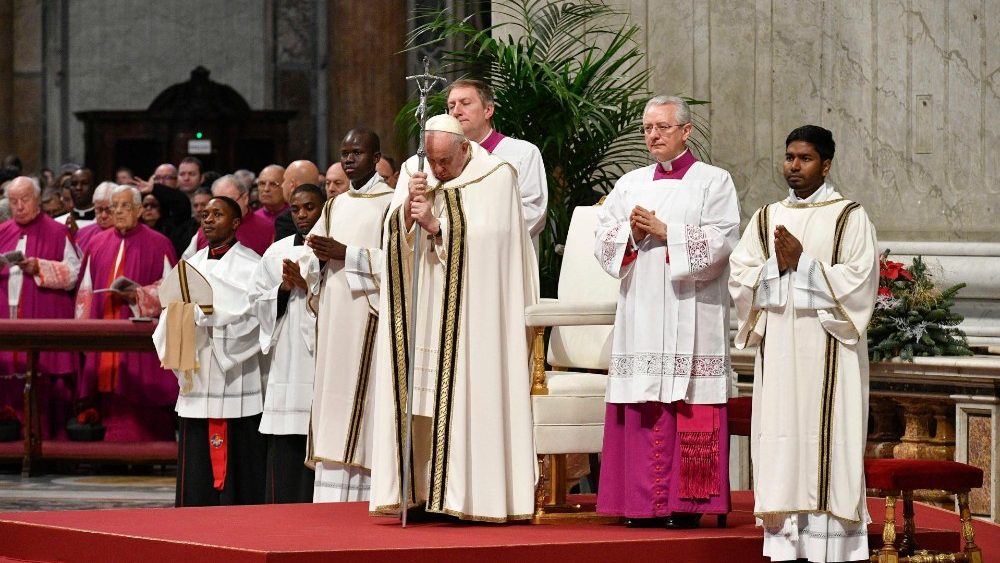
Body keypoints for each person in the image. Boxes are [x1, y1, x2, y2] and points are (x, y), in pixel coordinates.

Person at [368, 114, 537, 522]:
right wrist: (406, 214)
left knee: (466, 395)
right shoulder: (415, 171)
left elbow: (498, 242)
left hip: (474, 313)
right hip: (424, 306)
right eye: (433, 160)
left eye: (445, 161)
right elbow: (390, 234)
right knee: (420, 397)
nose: (438, 169)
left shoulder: (496, 175)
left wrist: (439, 226)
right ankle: (421, 492)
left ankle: (468, 497)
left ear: (465, 148)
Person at [729, 125, 878, 562]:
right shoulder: (766, 217)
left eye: (805, 158)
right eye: (789, 157)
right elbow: (741, 276)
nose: (794, 166)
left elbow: (860, 281)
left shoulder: (850, 216)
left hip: (830, 350)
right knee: (782, 439)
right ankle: (786, 547)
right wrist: (777, 268)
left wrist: (804, 264)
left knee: (827, 443)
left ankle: (831, 549)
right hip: (780, 350)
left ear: (826, 165)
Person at [594, 96, 738, 529]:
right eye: (647, 128)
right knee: (643, 401)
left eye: (662, 127)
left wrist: (666, 231)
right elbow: (602, 240)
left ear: (686, 131)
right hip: (642, 309)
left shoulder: (714, 181)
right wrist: (630, 234)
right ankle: (641, 504)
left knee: (691, 402)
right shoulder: (630, 184)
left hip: (692, 309)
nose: (652, 135)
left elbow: (723, 241)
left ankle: (687, 504)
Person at [153, 196, 266, 507]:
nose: (209, 219)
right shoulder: (190, 265)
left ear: (236, 222)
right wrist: (180, 316)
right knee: (197, 454)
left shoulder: (252, 265)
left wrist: (207, 315)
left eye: (218, 214)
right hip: (199, 372)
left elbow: (255, 315)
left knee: (239, 451)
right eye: (205, 214)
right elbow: (170, 309)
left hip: (233, 374)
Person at [305, 129, 393, 502]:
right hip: (334, 312)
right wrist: (315, 259)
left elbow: (400, 263)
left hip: (367, 314)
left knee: (362, 401)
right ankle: (330, 495)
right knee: (332, 400)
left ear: (376, 158)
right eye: (344, 153)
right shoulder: (334, 206)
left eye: (357, 152)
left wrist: (348, 253)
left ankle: (363, 496)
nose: (348, 159)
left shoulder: (391, 204)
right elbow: (312, 256)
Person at [75, 185, 178, 442]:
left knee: (139, 399)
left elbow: (174, 292)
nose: (118, 211)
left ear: (139, 210)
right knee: (106, 390)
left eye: (125, 206)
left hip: (141, 335)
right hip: (105, 329)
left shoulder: (159, 243)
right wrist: (82, 332)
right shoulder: (96, 243)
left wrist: (138, 296)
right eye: (115, 206)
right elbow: (85, 290)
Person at [249, 183, 326, 503]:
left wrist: (308, 286)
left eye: (309, 207)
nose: (302, 215)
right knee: (285, 445)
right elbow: (256, 301)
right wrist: (282, 289)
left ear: (324, 208)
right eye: (295, 209)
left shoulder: (332, 249)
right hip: (286, 358)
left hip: (322, 354)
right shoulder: (276, 251)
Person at [0, 177, 80, 437]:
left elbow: (74, 274)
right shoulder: (2, 232)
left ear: (37, 199)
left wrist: (39, 267)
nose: (19, 206)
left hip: (42, 316)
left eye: (25, 200)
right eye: (13, 201)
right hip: (7, 317)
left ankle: (46, 438)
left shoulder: (57, 232)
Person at [447, 78, 548, 242]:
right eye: (451, 106)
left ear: (488, 110)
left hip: (502, 252)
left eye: (465, 103)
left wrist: (475, 235)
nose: (456, 111)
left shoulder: (522, 153)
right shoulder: (443, 160)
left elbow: (533, 213)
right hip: (455, 250)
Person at [182, 175, 273, 258]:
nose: (222, 207)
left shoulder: (267, 229)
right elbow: (185, 264)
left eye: (230, 201)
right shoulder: (205, 230)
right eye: (218, 201)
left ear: (245, 198)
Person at [273, 160, 320, 242]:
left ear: (292, 185)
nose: (282, 185)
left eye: (284, 180)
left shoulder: (285, 220)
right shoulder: (329, 213)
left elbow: (283, 249)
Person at [74, 182, 116, 253]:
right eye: (99, 209)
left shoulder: (127, 235)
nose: (103, 215)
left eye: (108, 210)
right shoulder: (81, 234)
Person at [253, 165, 287, 232]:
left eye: (273, 184)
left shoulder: (295, 217)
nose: (266, 189)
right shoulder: (251, 221)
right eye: (262, 183)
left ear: (285, 186)